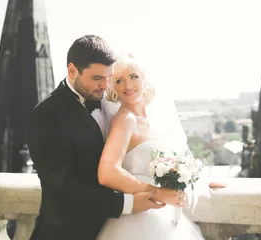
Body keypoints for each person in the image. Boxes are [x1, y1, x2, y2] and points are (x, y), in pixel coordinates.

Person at [27, 35, 165, 240]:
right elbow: (61, 191)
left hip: (113, 229)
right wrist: (128, 203)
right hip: (65, 233)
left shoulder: (107, 102)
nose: (105, 85)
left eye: (109, 77)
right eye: (97, 78)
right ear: (72, 70)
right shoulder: (47, 114)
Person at [95, 55, 210, 239]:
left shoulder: (150, 119)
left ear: (144, 78)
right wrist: (156, 193)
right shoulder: (125, 120)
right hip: (139, 220)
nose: (127, 85)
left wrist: (197, 180)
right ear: (113, 87)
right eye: (119, 80)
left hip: (163, 216)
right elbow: (108, 172)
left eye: (133, 76)